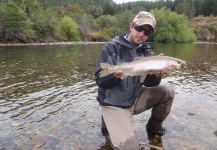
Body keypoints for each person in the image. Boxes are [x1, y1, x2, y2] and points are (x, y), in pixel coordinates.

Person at [95, 11, 175, 150]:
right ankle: (107, 122)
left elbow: (151, 84)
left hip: (134, 99)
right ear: (131, 26)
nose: (142, 34)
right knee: (130, 147)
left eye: (147, 31)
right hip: (114, 104)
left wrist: (156, 75)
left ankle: (153, 128)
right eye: (139, 28)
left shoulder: (146, 51)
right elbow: (100, 81)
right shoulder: (111, 47)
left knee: (168, 91)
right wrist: (115, 75)